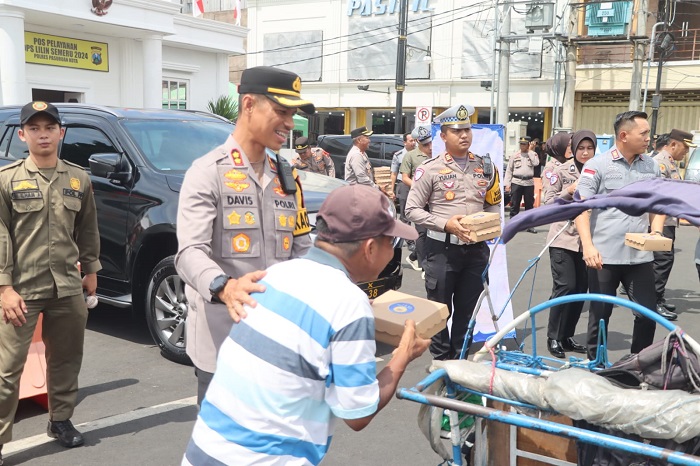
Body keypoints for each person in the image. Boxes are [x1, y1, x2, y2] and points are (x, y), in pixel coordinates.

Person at [182, 185, 428, 466]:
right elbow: (358, 414)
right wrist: (402, 356)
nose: (392, 250)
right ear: (370, 248)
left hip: (202, 454)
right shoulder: (348, 303)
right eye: (391, 242)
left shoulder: (277, 273)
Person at [175, 66, 314, 405]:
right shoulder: (207, 172)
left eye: (293, 114)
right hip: (223, 340)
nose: (289, 123)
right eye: (281, 111)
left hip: (277, 340)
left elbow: (302, 250)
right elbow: (189, 252)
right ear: (249, 104)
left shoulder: (286, 177)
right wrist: (226, 287)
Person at [0, 101, 100, 457]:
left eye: (49, 127)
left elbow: (87, 228)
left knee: (67, 358)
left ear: (61, 133)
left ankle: (60, 419)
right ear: (23, 135)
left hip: (68, 287)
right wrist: (5, 288)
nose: (43, 134)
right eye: (35, 128)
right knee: (8, 369)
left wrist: (91, 271)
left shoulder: (78, 178)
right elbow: (1, 235)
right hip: (22, 289)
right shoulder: (7, 179)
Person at [405, 104, 502, 360]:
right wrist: (445, 224)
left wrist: (489, 225)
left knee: (467, 313)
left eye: (467, 129)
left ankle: (459, 364)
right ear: (443, 135)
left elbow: (493, 203)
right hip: (441, 251)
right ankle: (440, 365)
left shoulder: (485, 166)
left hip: (475, 252)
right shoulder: (430, 169)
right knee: (439, 313)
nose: (464, 135)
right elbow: (411, 210)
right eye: (456, 130)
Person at [574, 111, 665, 360]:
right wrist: (588, 247)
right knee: (600, 315)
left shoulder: (652, 166)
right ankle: (597, 365)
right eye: (644, 133)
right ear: (624, 135)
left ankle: (638, 365)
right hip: (603, 256)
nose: (649, 138)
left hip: (639, 257)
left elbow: (658, 205)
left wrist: (655, 231)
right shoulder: (597, 166)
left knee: (647, 314)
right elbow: (580, 208)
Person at [543, 130, 596, 358]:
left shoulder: (599, 172)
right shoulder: (560, 171)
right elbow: (547, 203)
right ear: (573, 149)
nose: (585, 153)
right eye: (581, 148)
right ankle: (553, 336)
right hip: (563, 238)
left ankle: (567, 336)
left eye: (589, 148)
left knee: (579, 290)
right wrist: (568, 190)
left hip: (587, 241)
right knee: (565, 287)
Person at [651, 129, 695, 320]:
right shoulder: (660, 163)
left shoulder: (671, 163)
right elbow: (662, 195)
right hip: (661, 222)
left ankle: (657, 298)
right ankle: (652, 302)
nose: (686, 152)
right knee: (662, 261)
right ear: (674, 144)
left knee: (664, 261)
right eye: (685, 147)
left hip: (668, 220)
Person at [400, 125, 432, 273]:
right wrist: (419, 187)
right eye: (426, 144)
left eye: (430, 143)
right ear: (418, 143)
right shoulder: (410, 156)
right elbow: (405, 177)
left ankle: (414, 256)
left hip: (433, 200)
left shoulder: (437, 154)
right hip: (417, 198)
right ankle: (424, 266)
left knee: (432, 231)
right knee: (422, 232)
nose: (429, 147)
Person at [344, 126, 392, 197]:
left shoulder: (362, 153)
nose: (369, 141)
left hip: (362, 192)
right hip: (356, 194)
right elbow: (362, 178)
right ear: (359, 140)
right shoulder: (356, 155)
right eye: (367, 138)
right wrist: (377, 188)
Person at [505, 136, 539, 229]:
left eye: (524, 144)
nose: (522, 146)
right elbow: (509, 170)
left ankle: (530, 225)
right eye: (521, 144)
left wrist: (530, 151)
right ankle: (513, 224)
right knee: (514, 204)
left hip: (528, 183)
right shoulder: (514, 155)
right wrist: (507, 184)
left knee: (529, 205)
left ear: (528, 145)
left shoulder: (533, 154)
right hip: (516, 181)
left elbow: (536, 163)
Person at [390, 132, 416, 222]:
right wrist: (391, 190)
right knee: (404, 213)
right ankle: (405, 235)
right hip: (404, 185)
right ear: (404, 142)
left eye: (415, 140)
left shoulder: (419, 154)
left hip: (417, 185)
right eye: (411, 140)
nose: (414, 143)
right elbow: (394, 173)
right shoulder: (398, 155)